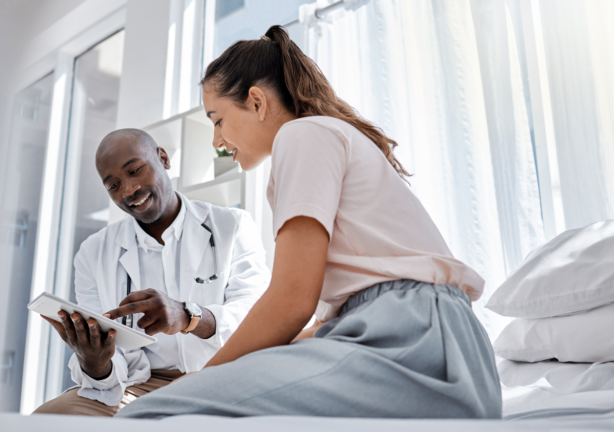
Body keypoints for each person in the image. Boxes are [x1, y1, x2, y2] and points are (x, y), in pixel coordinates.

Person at [115, 26, 502, 419]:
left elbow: (291, 300)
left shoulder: (303, 135)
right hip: (437, 345)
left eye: (218, 119)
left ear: (256, 101)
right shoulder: (326, 136)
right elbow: (314, 316)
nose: (217, 140)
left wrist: (200, 379)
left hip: (413, 341)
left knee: (148, 414)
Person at [33, 129, 270, 416]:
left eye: (135, 170)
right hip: (143, 385)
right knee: (51, 418)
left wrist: (188, 316)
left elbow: (256, 315)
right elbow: (110, 370)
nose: (128, 190)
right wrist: (95, 363)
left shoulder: (232, 226)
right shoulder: (93, 253)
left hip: (220, 372)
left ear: (163, 158)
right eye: (113, 185)